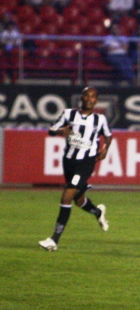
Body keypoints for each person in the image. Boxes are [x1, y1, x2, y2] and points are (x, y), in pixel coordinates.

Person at [39, 87, 112, 252]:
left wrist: (105, 149)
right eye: (86, 95)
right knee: (78, 199)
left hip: (86, 162)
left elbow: (108, 135)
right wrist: (59, 131)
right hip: (69, 161)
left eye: (93, 96)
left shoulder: (100, 119)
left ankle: (54, 240)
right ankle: (98, 212)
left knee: (66, 196)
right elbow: (51, 130)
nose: (89, 98)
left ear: (96, 101)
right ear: (82, 98)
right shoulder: (68, 114)